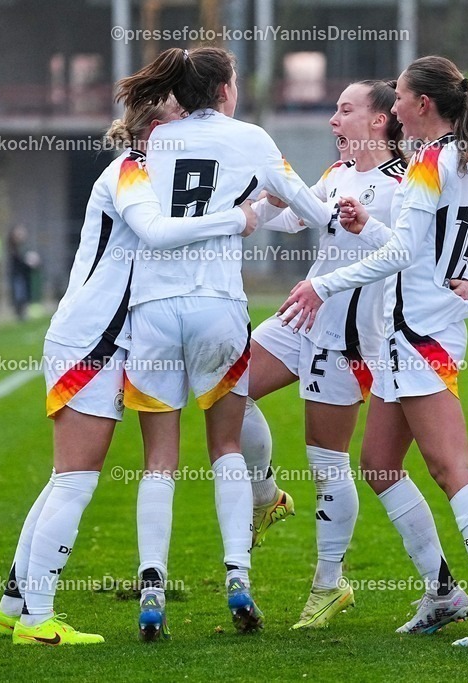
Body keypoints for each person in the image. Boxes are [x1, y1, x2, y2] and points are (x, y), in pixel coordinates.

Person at [279, 55, 468, 646]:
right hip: (406, 331)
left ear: (422, 105)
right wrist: (372, 228)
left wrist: (323, 282)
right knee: (379, 464)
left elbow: (401, 257)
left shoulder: (434, 160)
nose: (391, 108)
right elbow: (416, 245)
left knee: (450, 467)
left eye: (398, 98)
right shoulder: (452, 157)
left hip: (422, 335)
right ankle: (445, 593)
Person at [0, 93, 257, 646]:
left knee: (64, 479)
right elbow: (159, 232)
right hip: (93, 341)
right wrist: (238, 218)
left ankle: (13, 605)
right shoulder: (130, 173)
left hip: (104, 340)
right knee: (76, 480)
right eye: (181, 126)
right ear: (153, 131)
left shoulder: (156, 174)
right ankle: (37, 621)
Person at [115, 46, 333, 635]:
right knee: (227, 449)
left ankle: (152, 584)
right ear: (224, 89)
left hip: (154, 310)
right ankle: (237, 575)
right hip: (218, 307)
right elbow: (313, 211)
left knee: (158, 459)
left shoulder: (150, 143)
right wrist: (267, 205)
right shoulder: (251, 138)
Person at [242, 79, 410, 629]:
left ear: (381, 120)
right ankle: (267, 496)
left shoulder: (402, 183)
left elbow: (407, 256)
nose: (333, 120)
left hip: (350, 337)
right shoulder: (337, 174)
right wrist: (254, 201)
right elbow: (294, 216)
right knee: (227, 385)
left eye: (345, 110)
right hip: (303, 315)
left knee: (326, 459)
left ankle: (329, 583)